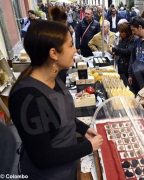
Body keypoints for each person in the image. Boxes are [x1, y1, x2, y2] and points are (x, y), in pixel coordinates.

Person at [8, 20, 103, 180]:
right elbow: (43, 158)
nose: (75, 50)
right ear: (53, 54)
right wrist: (87, 147)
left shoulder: (56, 76)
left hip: (68, 164)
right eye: (71, 45)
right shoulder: (28, 98)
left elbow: (62, 116)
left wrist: (83, 129)